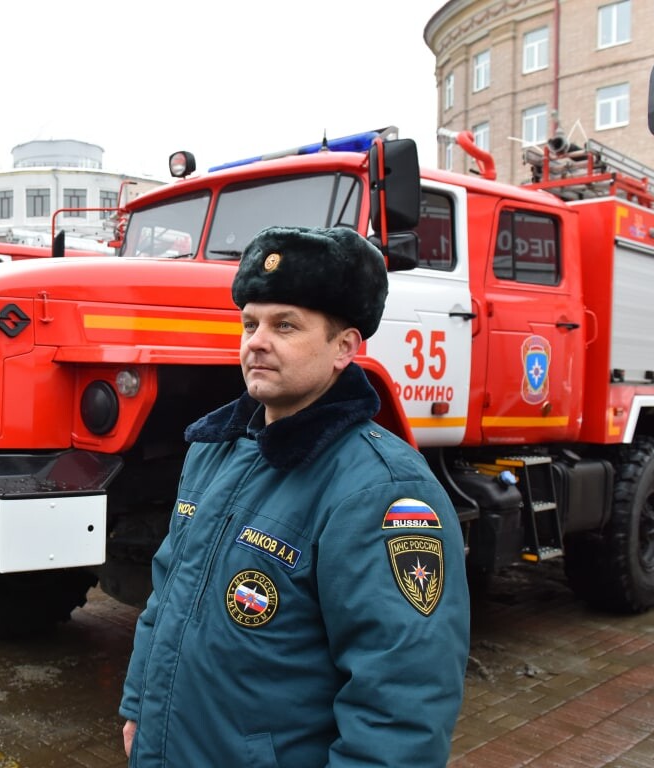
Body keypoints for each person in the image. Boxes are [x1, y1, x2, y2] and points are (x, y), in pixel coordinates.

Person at [120, 226, 470, 767]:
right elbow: (164, 601)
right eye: (250, 323)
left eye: (285, 325)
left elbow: (402, 699)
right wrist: (139, 709)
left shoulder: (384, 493)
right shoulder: (214, 452)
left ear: (344, 348)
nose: (256, 341)